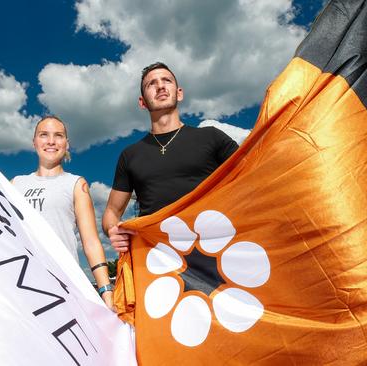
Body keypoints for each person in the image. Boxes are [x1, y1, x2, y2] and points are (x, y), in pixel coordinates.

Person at [102, 62, 239, 252]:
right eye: (151, 84)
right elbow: (111, 211)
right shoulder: (130, 155)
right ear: (142, 102)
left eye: (166, 80)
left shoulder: (212, 138)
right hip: (157, 258)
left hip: (214, 249)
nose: (160, 86)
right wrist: (113, 230)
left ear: (179, 93)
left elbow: (252, 176)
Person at [13, 116, 115, 311]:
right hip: (22, 283)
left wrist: (106, 290)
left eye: (58, 136)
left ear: (66, 144)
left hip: (63, 284)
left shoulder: (76, 184)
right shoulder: (15, 184)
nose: (51, 141)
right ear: (34, 142)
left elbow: (91, 242)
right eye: (44, 135)